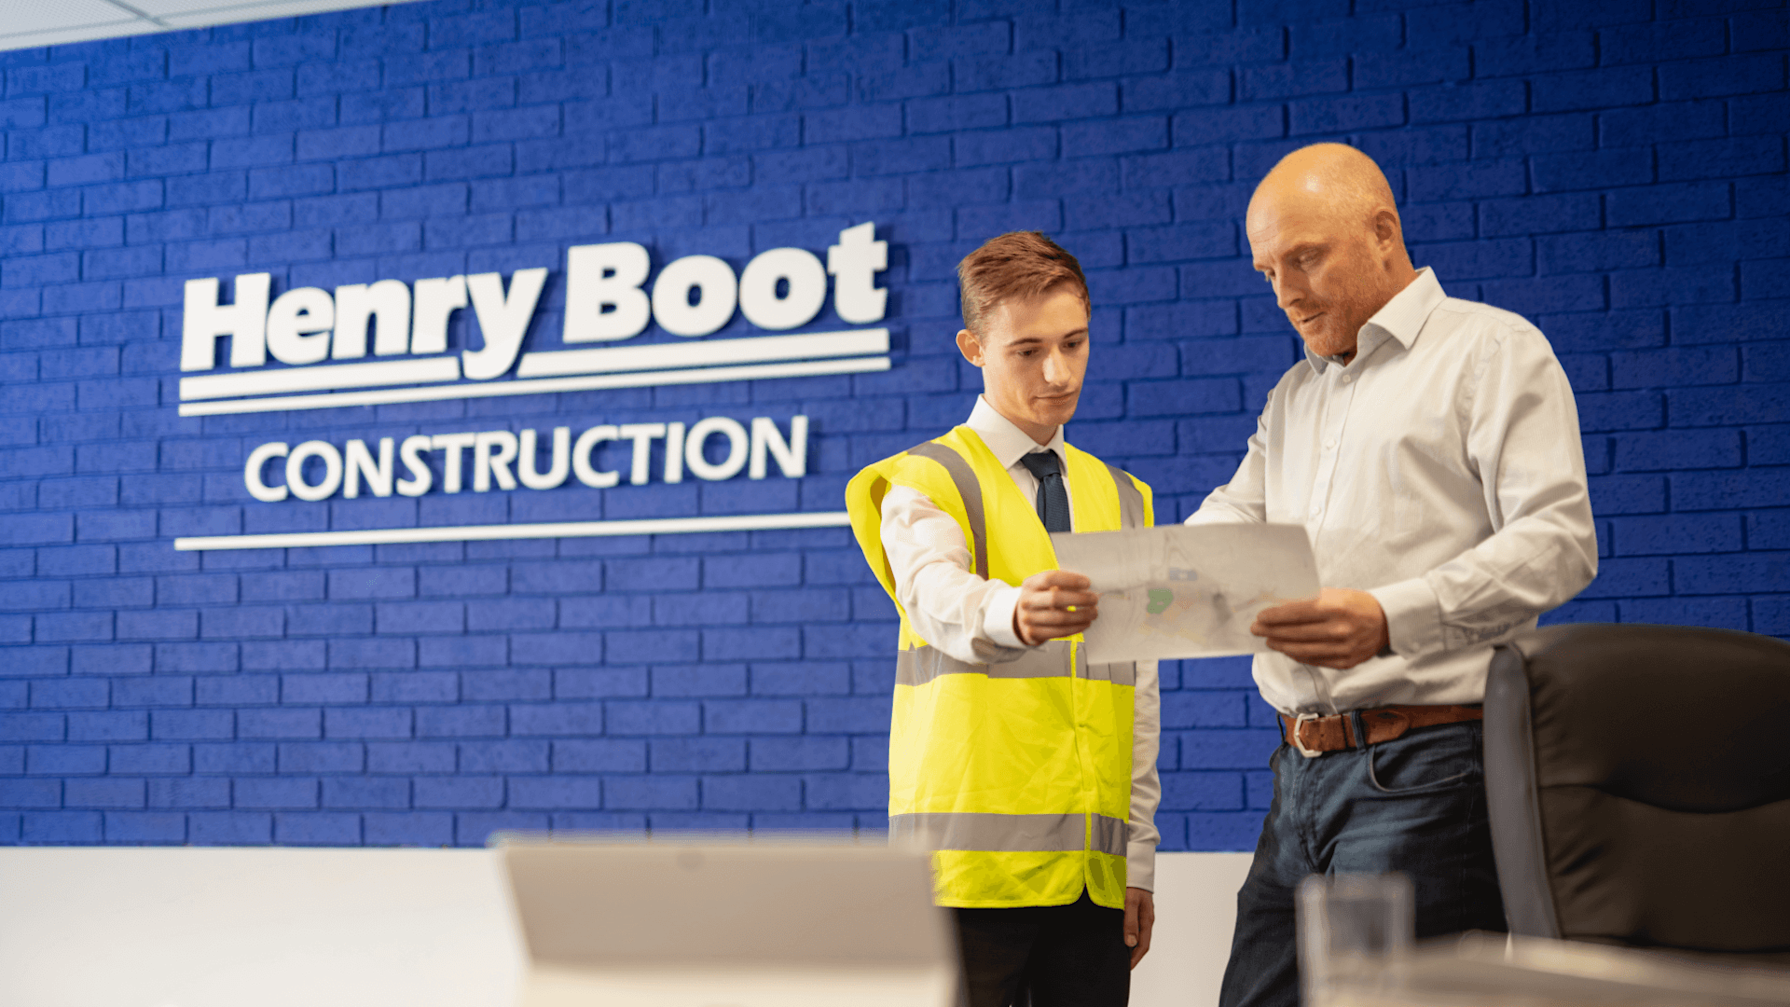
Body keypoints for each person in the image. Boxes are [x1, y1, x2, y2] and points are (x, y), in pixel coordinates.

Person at [1188, 143, 1598, 1007]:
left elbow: (1559, 538)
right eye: (1268, 271)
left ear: (1383, 232)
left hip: (1428, 771)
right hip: (1297, 774)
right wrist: (1129, 582)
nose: (1286, 292)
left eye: (1304, 258)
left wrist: (1389, 616)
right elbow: (1231, 518)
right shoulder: (1295, 396)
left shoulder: (1492, 351)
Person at [845, 232, 1161, 1007]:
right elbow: (936, 594)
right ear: (972, 347)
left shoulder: (1123, 496)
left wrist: (1138, 861)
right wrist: (1015, 611)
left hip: (1092, 881)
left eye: (1074, 343)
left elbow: (1138, 690)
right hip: (966, 880)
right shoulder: (927, 480)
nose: (1058, 373)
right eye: (1027, 351)